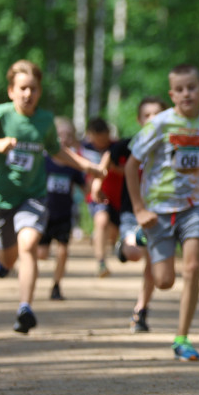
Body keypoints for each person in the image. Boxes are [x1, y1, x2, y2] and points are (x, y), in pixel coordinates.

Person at [0, 59, 104, 334]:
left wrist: (85, 166)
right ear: (11, 91)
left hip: (33, 195)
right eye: (22, 88)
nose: (28, 94)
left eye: (33, 89)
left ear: (39, 91)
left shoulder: (44, 121)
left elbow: (56, 150)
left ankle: (25, 308)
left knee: (28, 244)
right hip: (0, 197)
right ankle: (0, 259)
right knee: (9, 259)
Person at [125, 65, 199, 361]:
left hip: (194, 206)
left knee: (192, 267)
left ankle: (182, 337)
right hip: (158, 210)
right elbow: (130, 165)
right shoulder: (159, 124)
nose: (187, 93)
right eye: (180, 89)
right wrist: (138, 209)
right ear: (172, 94)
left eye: (192, 87)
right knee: (164, 281)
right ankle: (143, 236)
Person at [107, 95, 168, 333]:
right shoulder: (131, 143)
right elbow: (110, 155)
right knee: (134, 253)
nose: (152, 119)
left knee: (152, 264)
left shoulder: (171, 144)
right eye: (147, 115)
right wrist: (106, 176)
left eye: (158, 115)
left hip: (159, 212)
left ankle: (141, 311)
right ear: (139, 119)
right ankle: (123, 245)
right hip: (131, 211)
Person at [38, 118, 88, 301]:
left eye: (68, 136)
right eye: (60, 135)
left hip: (64, 213)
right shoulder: (43, 161)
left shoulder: (73, 164)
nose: (64, 139)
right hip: (44, 213)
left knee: (63, 250)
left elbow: (84, 186)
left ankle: (56, 285)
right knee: (41, 254)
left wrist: (96, 197)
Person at [81, 117, 121, 278]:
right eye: (96, 139)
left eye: (103, 139)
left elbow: (127, 170)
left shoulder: (117, 147)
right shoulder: (83, 149)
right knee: (102, 220)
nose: (100, 143)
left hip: (116, 196)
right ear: (89, 135)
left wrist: (113, 167)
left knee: (113, 233)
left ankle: (99, 238)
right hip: (96, 196)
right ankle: (101, 262)